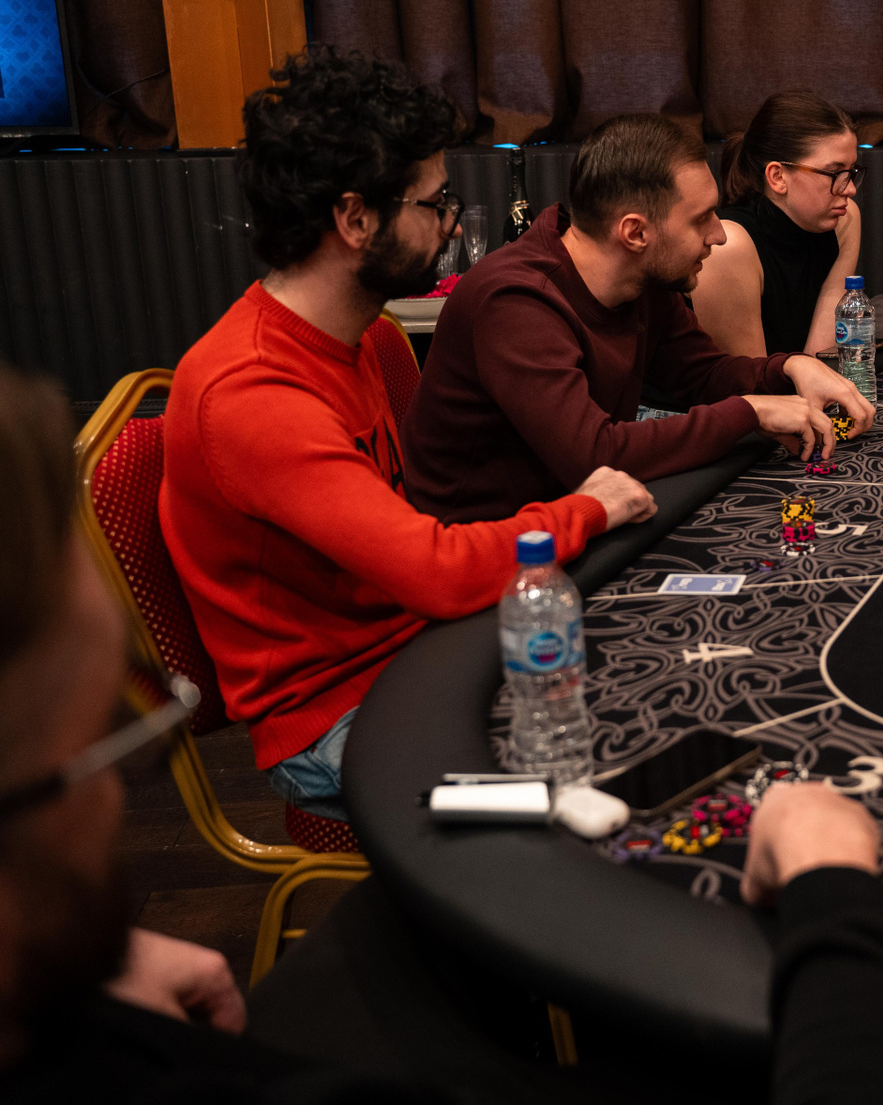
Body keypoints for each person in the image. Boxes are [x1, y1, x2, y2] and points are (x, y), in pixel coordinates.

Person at [0, 366, 883, 1102]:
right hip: (341, 708)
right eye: (108, 743)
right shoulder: (257, 391)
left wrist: (73, 990)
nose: (118, 800)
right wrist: (832, 889)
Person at [162, 47, 654, 822]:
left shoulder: (363, 335)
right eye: (435, 202)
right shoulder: (253, 393)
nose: (451, 222)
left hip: (409, 646)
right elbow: (434, 570)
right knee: (587, 796)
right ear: (355, 220)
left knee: (635, 689)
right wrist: (588, 508)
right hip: (332, 714)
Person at [405, 114, 875, 525]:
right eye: (701, 219)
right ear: (634, 233)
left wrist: (789, 367)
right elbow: (596, 455)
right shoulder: (515, 302)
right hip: (491, 551)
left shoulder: (643, 278)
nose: (718, 235)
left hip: (580, 517)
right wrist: (751, 410)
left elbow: (702, 374)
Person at [692, 91, 864, 358]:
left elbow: (820, 359)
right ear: (778, 177)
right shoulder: (728, 246)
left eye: (851, 172)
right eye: (835, 173)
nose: (850, 189)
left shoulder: (845, 218)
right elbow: (749, 377)